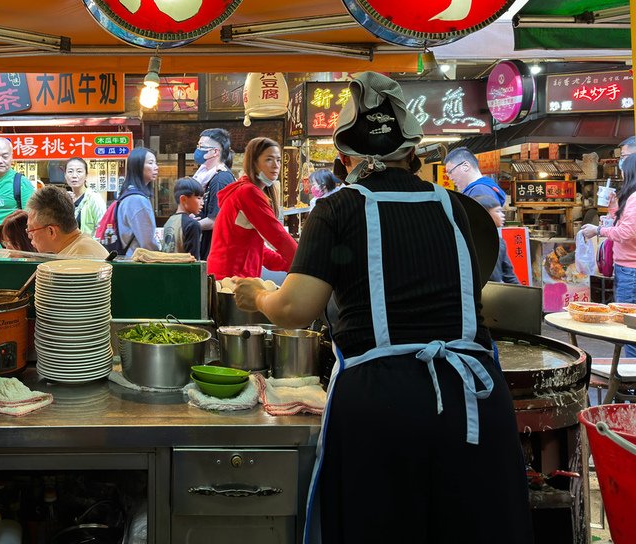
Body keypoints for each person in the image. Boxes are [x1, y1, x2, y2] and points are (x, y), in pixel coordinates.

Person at [233, 73, 531, 544]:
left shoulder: (337, 208)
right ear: (413, 156)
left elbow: (295, 308)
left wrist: (257, 296)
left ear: (345, 160)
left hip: (383, 405)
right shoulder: (459, 208)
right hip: (473, 401)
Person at [206, 137, 297, 279]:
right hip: (231, 280)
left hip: (229, 276)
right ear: (254, 163)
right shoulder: (248, 192)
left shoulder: (244, 189)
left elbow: (259, 250)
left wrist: (288, 264)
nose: (276, 165)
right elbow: (278, 236)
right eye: (269, 159)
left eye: (278, 160)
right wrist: (306, 263)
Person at [581, 152, 636, 359]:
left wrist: (598, 231)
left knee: (629, 326)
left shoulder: (635, 198)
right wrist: (614, 209)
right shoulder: (631, 198)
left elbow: (625, 233)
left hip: (631, 270)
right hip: (628, 268)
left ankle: (631, 380)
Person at [25, 186, 109, 259]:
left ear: (51, 231)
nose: (29, 236)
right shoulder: (80, 245)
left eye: (31, 230)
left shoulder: (74, 260)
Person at [192, 128, 236, 259]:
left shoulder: (220, 179)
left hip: (217, 250)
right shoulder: (204, 175)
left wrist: (187, 225)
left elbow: (215, 220)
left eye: (202, 146)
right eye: (198, 146)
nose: (198, 150)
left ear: (215, 151)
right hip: (208, 246)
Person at [114, 148, 160, 257]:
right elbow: (147, 243)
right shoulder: (137, 200)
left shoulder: (128, 194)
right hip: (138, 262)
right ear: (137, 167)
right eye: (150, 163)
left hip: (129, 260)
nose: (156, 167)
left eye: (155, 163)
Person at [473, 194, 520, 284]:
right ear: (484, 214)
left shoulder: (500, 242)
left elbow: (509, 275)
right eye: (498, 211)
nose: (502, 215)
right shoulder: (470, 242)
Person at [162, 177, 204, 259]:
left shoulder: (169, 221)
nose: (202, 203)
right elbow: (193, 261)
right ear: (183, 199)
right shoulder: (192, 225)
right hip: (184, 271)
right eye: (198, 198)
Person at [64, 157, 106, 236]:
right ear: (65, 176)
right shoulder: (65, 200)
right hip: (70, 247)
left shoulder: (94, 199)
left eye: (79, 171)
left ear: (86, 175)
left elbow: (102, 229)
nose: (74, 175)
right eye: (70, 171)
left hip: (89, 247)